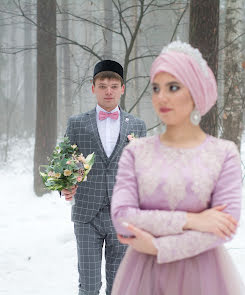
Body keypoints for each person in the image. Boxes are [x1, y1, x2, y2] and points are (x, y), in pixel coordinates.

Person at [110, 41, 245, 295]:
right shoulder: (136, 152)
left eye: (173, 87)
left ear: (195, 92)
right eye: (156, 88)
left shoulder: (223, 153)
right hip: (143, 277)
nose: (162, 97)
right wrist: (193, 220)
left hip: (204, 277)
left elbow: (225, 227)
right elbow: (122, 217)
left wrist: (159, 248)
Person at [61, 59, 146, 295]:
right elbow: (63, 162)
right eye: (102, 85)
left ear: (122, 88)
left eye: (113, 85)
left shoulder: (137, 125)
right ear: (93, 88)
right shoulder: (77, 123)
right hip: (87, 214)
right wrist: (65, 187)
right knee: (88, 285)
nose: (108, 90)